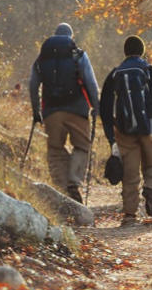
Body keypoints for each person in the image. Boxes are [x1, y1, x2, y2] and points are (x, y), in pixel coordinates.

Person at [99, 35, 152, 225]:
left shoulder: (115, 73)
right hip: (150, 124)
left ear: (125, 52)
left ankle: (130, 214)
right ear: (142, 51)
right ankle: (151, 189)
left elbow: (104, 106)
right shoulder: (150, 70)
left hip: (123, 127)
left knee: (130, 170)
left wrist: (110, 132)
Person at [29, 23, 99, 203]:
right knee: (82, 146)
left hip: (51, 111)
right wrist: (95, 106)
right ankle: (73, 182)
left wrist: (36, 110)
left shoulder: (42, 58)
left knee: (55, 149)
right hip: (77, 109)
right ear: (71, 36)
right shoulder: (78, 55)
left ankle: (61, 190)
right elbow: (90, 82)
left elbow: (33, 84)